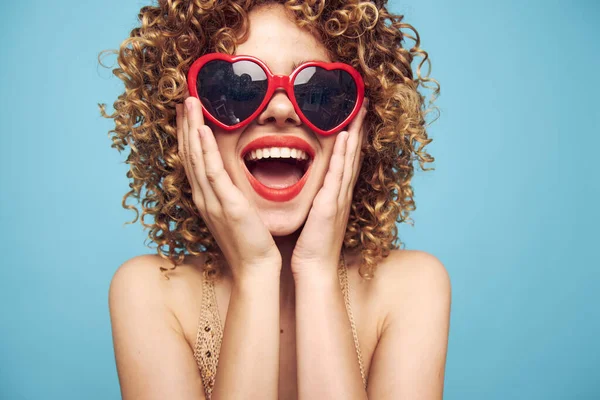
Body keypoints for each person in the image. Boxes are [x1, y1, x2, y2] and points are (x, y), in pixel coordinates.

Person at [100, 0, 450, 399]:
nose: (281, 109)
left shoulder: (411, 287)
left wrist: (317, 271)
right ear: (181, 120)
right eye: (236, 87)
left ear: (364, 125)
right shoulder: (148, 292)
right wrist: (255, 272)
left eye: (319, 91)